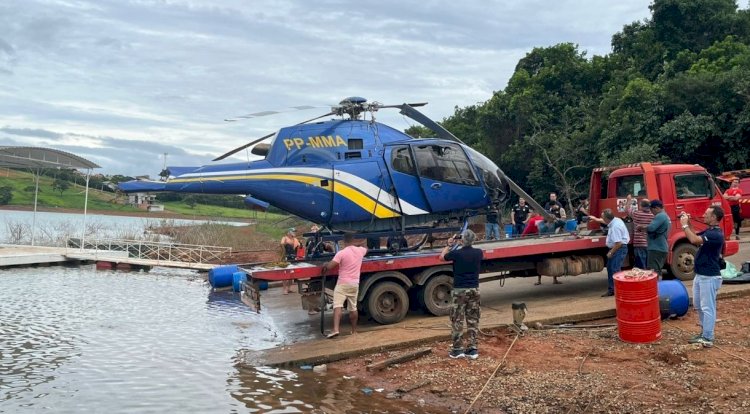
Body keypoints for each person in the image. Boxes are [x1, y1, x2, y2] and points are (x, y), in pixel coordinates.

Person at [681, 206, 725, 348]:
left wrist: (685, 225)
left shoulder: (716, 234)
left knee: (708, 307)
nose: (703, 215)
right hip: (701, 275)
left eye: (706, 214)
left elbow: (694, 240)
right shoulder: (710, 231)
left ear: (713, 218)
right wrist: (689, 224)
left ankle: (708, 337)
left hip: (709, 276)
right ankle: (704, 333)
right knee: (698, 305)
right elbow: (695, 236)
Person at [440, 229, 483, 359]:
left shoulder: (456, 254)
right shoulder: (479, 253)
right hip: (474, 289)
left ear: (462, 240)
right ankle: (472, 349)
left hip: (459, 290)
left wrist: (449, 244)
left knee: (457, 319)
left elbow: (441, 257)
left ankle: (457, 349)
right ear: (473, 240)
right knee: (473, 319)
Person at [321, 233, 368, 338]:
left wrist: (325, 265)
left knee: (337, 306)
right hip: (354, 284)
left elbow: (330, 266)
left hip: (342, 284)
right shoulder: (360, 251)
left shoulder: (342, 253)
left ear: (344, 242)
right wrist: (361, 243)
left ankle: (336, 330)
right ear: (353, 240)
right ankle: (354, 331)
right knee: (353, 308)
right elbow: (366, 248)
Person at [589, 209, 629, 297]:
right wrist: (596, 219)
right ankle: (612, 290)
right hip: (617, 248)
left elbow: (618, 243)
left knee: (615, 270)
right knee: (611, 268)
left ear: (607, 219)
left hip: (618, 249)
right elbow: (604, 221)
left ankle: (619, 291)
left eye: (603, 217)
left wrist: (611, 252)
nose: (602, 219)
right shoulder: (615, 220)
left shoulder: (615, 227)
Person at [644, 200, 671, 276]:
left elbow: (651, 228)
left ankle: (657, 287)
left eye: (651, 210)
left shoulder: (661, 215)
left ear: (656, 208)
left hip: (656, 248)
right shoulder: (666, 216)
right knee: (657, 271)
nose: (651, 212)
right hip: (660, 247)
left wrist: (643, 228)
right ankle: (658, 286)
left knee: (653, 272)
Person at [627, 195, 653, 269]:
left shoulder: (636, 214)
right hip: (649, 243)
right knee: (649, 265)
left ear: (641, 206)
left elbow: (627, 210)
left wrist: (628, 200)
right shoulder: (653, 215)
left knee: (641, 266)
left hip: (639, 244)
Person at [280, 228, 301, 294]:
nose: (294, 233)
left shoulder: (295, 239)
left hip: (293, 257)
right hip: (286, 257)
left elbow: (299, 247)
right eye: (293, 231)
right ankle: (285, 289)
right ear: (289, 232)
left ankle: (289, 288)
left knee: (291, 274)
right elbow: (282, 244)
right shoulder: (285, 238)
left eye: (295, 231)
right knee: (285, 273)